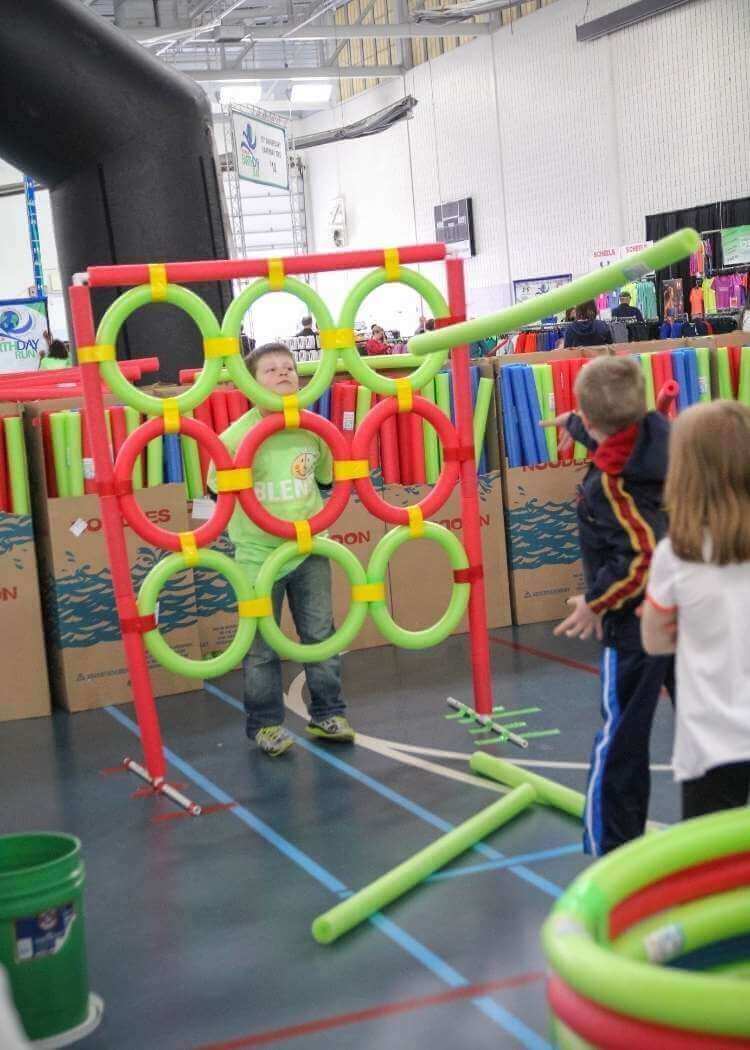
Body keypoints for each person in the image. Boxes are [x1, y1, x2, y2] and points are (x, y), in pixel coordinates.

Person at [543, 355, 673, 855]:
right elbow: (618, 431)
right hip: (675, 612)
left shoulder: (612, 486)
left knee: (620, 738)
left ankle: (610, 853)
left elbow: (643, 556)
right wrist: (575, 424)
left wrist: (596, 603)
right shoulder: (656, 433)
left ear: (595, 424)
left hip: (634, 626)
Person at [207, 342, 354, 757]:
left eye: (289, 367)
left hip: (308, 551)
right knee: (260, 649)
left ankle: (329, 714)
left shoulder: (314, 429)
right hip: (257, 557)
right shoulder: (234, 438)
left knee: (320, 636)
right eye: (270, 370)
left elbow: (325, 482)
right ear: (251, 387)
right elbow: (216, 491)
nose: (284, 374)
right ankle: (265, 725)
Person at [642, 401, 750, 819]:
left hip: (713, 742)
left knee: (711, 869)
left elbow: (654, 642)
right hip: (714, 739)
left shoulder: (676, 556)